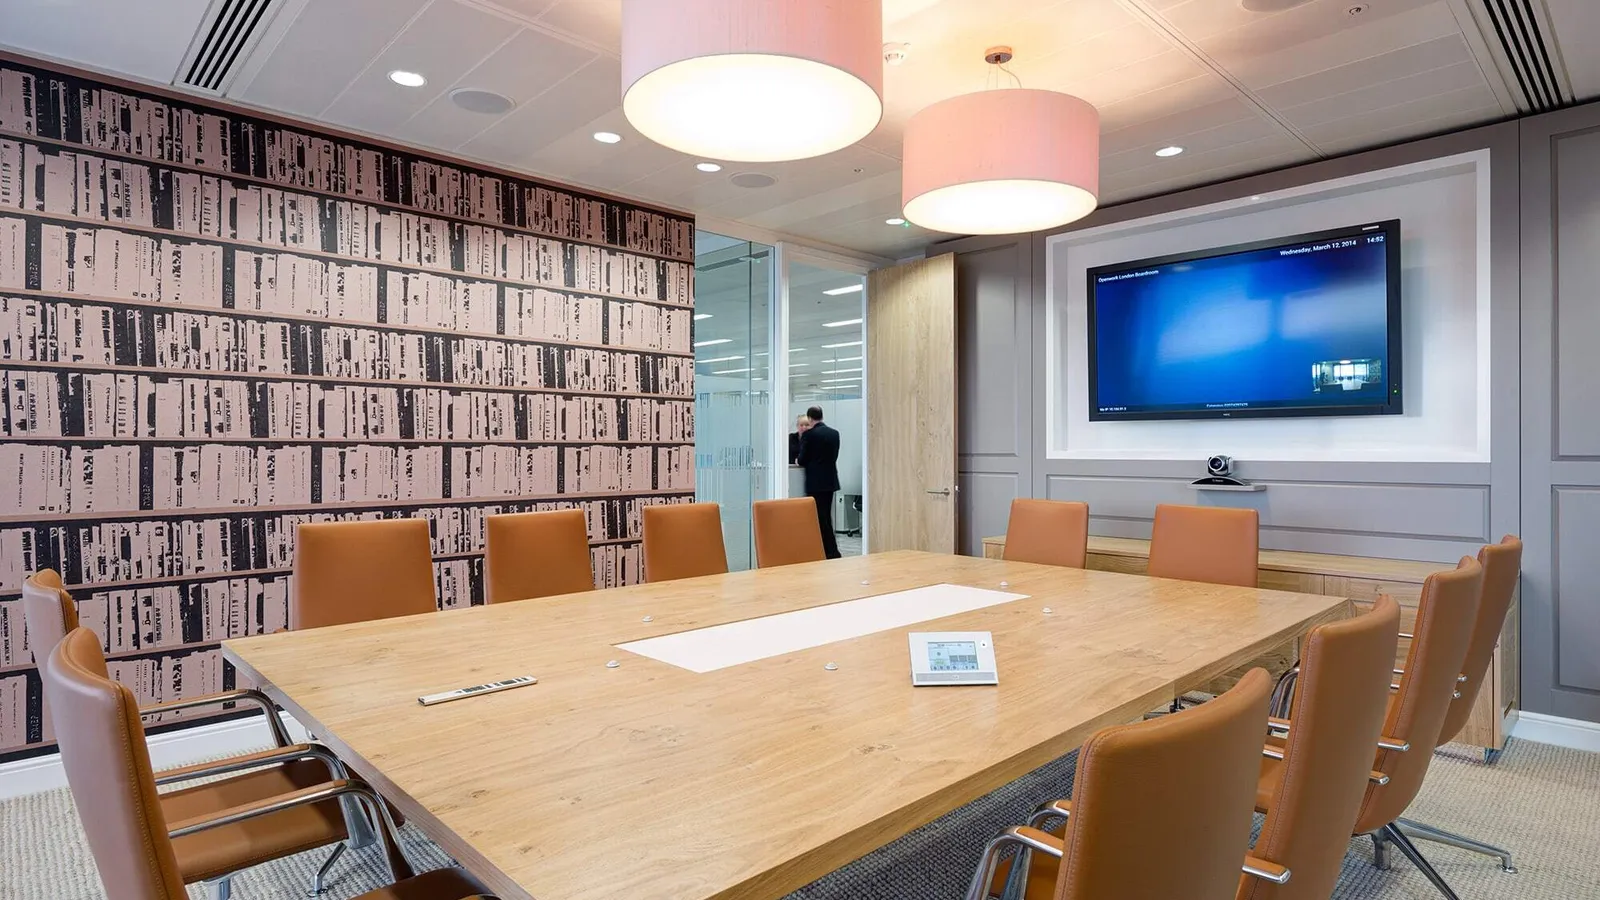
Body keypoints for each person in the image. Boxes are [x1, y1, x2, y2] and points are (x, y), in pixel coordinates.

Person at [796, 406, 842, 559]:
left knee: (819, 518)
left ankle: (830, 551)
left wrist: (799, 460)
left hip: (816, 483)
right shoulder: (834, 434)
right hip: (830, 481)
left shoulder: (809, 435)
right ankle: (831, 550)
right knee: (826, 517)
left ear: (809, 418)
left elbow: (802, 459)